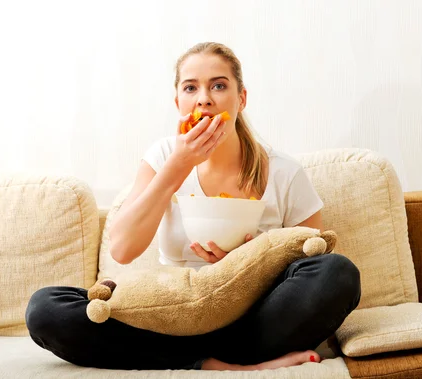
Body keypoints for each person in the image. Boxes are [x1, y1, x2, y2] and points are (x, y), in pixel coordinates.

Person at [25, 42, 361, 371]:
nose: (204, 98)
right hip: (169, 317)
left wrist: (245, 265)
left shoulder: (285, 173)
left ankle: (208, 357)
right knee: (46, 309)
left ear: (240, 98)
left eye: (218, 85)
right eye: (191, 88)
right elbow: (124, 249)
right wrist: (178, 165)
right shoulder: (162, 157)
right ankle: (216, 362)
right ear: (178, 103)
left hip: (253, 319)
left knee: (337, 273)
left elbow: (313, 260)